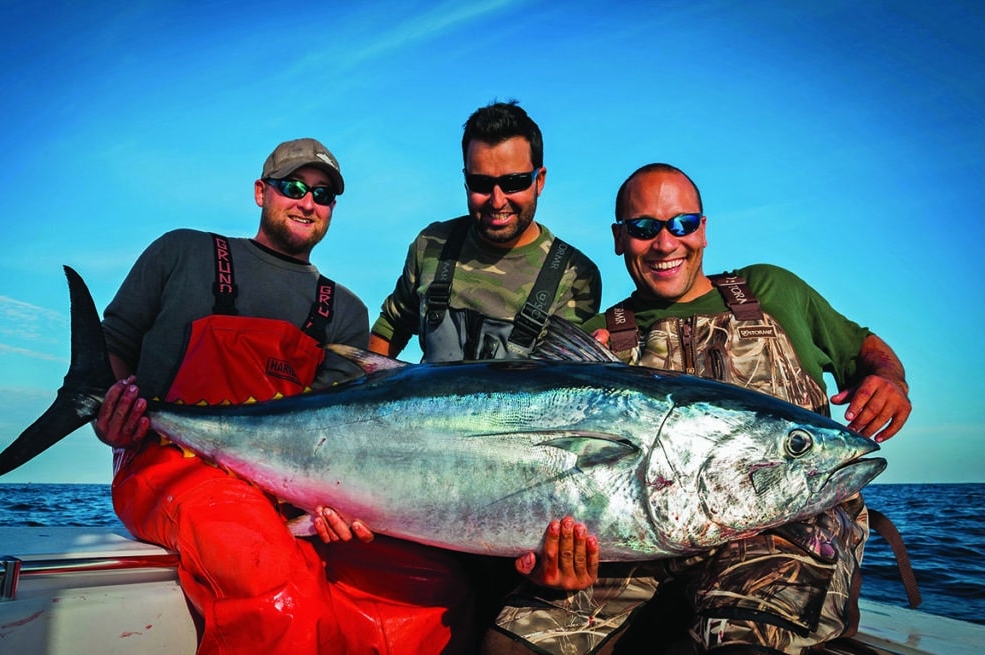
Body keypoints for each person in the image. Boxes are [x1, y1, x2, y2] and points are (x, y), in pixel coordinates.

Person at [482, 162, 912, 655]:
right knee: (508, 645)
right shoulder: (599, 338)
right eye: (644, 228)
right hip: (630, 550)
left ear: (703, 230)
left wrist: (888, 378)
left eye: (681, 223)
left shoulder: (773, 291)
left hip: (777, 538)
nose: (666, 243)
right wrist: (549, 553)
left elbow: (864, 349)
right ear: (619, 238)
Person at [93, 138, 474, 654]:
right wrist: (106, 412)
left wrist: (341, 503)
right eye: (293, 187)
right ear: (260, 192)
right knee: (277, 591)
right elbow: (113, 346)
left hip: (287, 494)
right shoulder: (183, 252)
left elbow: (336, 437)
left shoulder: (343, 310)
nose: (307, 202)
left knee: (434, 593)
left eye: (323, 195)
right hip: (171, 468)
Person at [369, 100, 602, 362]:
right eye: (481, 183)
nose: (497, 200)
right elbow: (392, 326)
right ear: (465, 180)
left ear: (540, 180)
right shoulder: (431, 245)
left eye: (514, 182)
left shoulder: (576, 276)